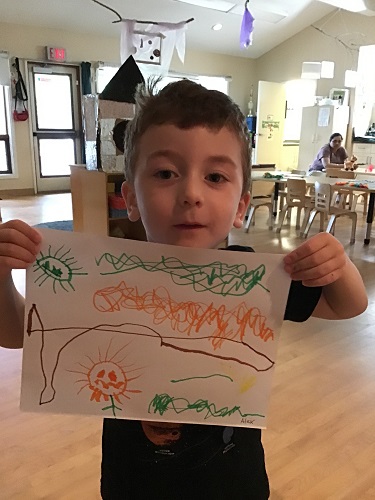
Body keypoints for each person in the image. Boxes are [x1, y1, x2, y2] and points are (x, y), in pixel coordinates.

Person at [0, 80, 367, 499]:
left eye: (214, 176)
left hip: (233, 484)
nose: (191, 194)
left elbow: (348, 307)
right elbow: (15, 335)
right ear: (130, 198)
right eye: (165, 174)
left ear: (241, 205)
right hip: (133, 482)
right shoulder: (102, 276)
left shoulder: (254, 277)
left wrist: (338, 267)